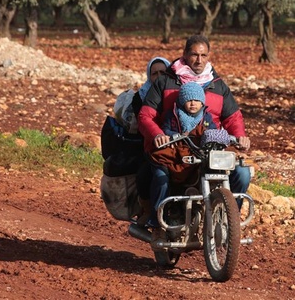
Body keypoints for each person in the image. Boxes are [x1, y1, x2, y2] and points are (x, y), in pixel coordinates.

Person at [138, 34, 252, 239]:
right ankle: (158, 222)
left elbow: (233, 117)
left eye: (203, 55)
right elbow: (146, 115)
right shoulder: (166, 81)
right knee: (161, 177)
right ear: (184, 55)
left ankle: (229, 223)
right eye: (194, 55)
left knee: (242, 174)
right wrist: (158, 135)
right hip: (171, 149)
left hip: (209, 150)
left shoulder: (217, 84)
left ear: (209, 57)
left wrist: (240, 137)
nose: (199, 60)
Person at [100, 56, 170, 224]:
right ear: (149, 76)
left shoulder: (176, 93)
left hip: (178, 144)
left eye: (163, 72)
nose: (159, 77)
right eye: (155, 73)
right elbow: (144, 122)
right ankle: (148, 212)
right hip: (149, 145)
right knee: (146, 174)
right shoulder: (141, 97)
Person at [150, 81, 216, 183]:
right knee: (162, 172)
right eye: (189, 100)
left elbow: (213, 131)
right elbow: (165, 130)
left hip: (199, 152)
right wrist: (177, 136)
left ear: (202, 102)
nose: (193, 103)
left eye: (196, 100)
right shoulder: (172, 114)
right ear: (182, 101)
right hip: (178, 150)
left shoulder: (206, 117)